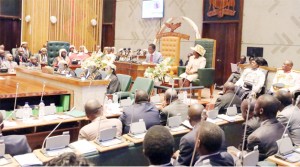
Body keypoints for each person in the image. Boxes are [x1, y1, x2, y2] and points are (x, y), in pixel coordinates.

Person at [247, 94, 285, 161]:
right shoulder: (284, 128)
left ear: (261, 111)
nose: (254, 106)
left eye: (256, 104)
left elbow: (250, 162)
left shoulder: (255, 137)